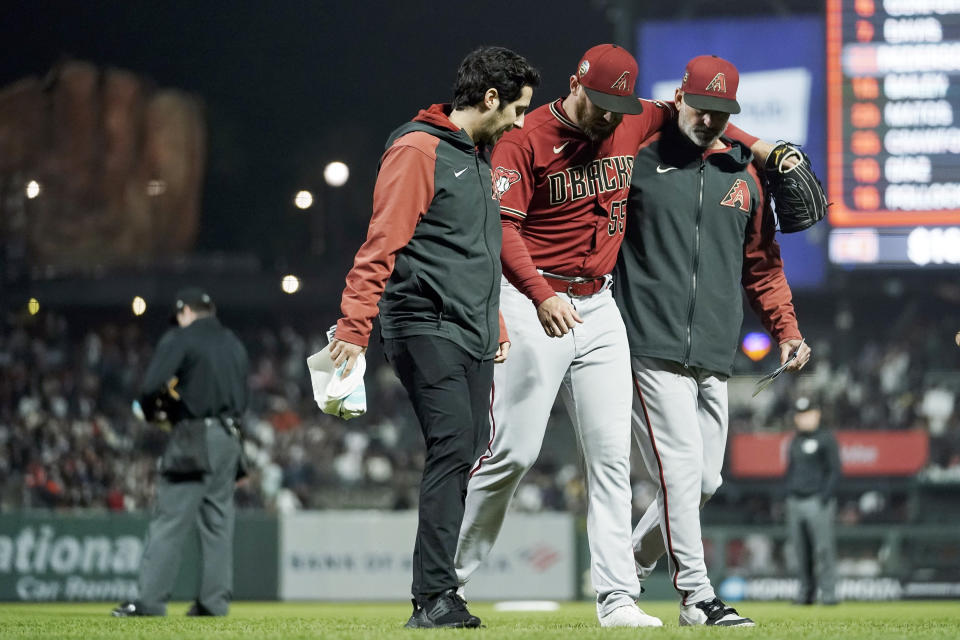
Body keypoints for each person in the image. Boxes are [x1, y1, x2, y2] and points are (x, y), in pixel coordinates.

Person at [455, 44, 770, 628]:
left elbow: (698, 114)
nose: (608, 116)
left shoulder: (633, 116)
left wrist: (761, 146)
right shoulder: (526, 138)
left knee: (610, 462)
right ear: (576, 84)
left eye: (617, 105)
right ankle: (447, 581)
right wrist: (541, 295)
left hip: (599, 304)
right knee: (514, 453)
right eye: (600, 102)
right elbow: (502, 231)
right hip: (533, 298)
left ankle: (616, 597)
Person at [328, 46, 540, 629]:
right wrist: (354, 325)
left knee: (469, 448)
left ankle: (438, 591)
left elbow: (481, 251)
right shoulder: (418, 149)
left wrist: (493, 320)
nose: (522, 122)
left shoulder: (479, 155)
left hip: (471, 326)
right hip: (421, 320)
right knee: (454, 444)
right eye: (518, 109)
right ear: (490, 97)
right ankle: (434, 597)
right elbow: (381, 243)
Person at [615, 54, 813, 626]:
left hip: (715, 351)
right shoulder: (638, 160)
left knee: (704, 481)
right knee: (679, 473)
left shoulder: (744, 175)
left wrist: (787, 330)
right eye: (702, 107)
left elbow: (764, 267)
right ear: (681, 97)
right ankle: (697, 597)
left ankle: (624, 569)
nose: (710, 120)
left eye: (723, 112)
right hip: (648, 342)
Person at [113, 287, 249, 617]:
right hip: (229, 437)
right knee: (218, 524)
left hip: (193, 436)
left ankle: (150, 602)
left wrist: (155, 412)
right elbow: (245, 398)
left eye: (180, 316)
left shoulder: (181, 338)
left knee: (169, 520)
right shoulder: (234, 343)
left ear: (186, 311)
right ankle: (213, 604)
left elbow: (150, 388)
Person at [785, 395, 841, 606]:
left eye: (806, 414)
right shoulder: (794, 441)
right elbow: (790, 471)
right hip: (795, 502)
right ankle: (805, 594)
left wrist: (824, 497)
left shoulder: (826, 438)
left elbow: (835, 471)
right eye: (799, 415)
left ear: (816, 414)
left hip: (817, 501)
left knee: (824, 550)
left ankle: (828, 594)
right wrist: (789, 493)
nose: (803, 419)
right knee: (801, 552)